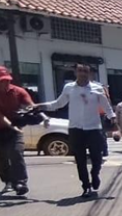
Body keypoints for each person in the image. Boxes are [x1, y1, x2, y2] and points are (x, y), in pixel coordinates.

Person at [37, 64, 115, 198]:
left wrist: (112, 117)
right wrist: (40, 106)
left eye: (85, 71)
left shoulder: (97, 88)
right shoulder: (69, 88)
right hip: (75, 129)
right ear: (75, 72)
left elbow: (106, 106)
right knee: (80, 159)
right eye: (80, 71)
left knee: (97, 157)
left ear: (89, 73)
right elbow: (58, 104)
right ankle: (86, 186)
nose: (82, 73)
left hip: (94, 128)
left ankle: (95, 174)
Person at [0, 66, 46, 195]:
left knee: (16, 153)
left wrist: (40, 116)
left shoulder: (18, 91)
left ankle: (20, 183)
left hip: (14, 130)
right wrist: (11, 125)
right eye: (0, 81)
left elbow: (30, 106)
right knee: (1, 158)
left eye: (7, 80)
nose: (5, 83)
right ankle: (8, 181)